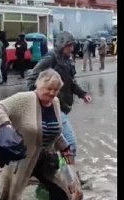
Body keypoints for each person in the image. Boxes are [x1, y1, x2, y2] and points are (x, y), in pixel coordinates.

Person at [0, 69, 79, 200]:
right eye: (48, 89)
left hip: (45, 157)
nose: (52, 93)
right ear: (38, 86)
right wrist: (6, 125)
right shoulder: (24, 99)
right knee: (8, 194)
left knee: (60, 190)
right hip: (21, 157)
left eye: (56, 89)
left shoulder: (56, 103)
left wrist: (66, 149)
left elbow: (55, 131)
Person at [26, 30, 92, 160]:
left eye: (73, 46)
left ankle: (52, 170)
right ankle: (67, 174)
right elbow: (32, 78)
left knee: (54, 145)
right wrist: (40, 98)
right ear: (62, 44)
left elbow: (71, 82)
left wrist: (83, 94)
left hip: (63, 107)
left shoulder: (68, 60)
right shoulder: (51, 58)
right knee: (70, 144)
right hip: (54, 108)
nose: (72, 49)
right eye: (69, 46)